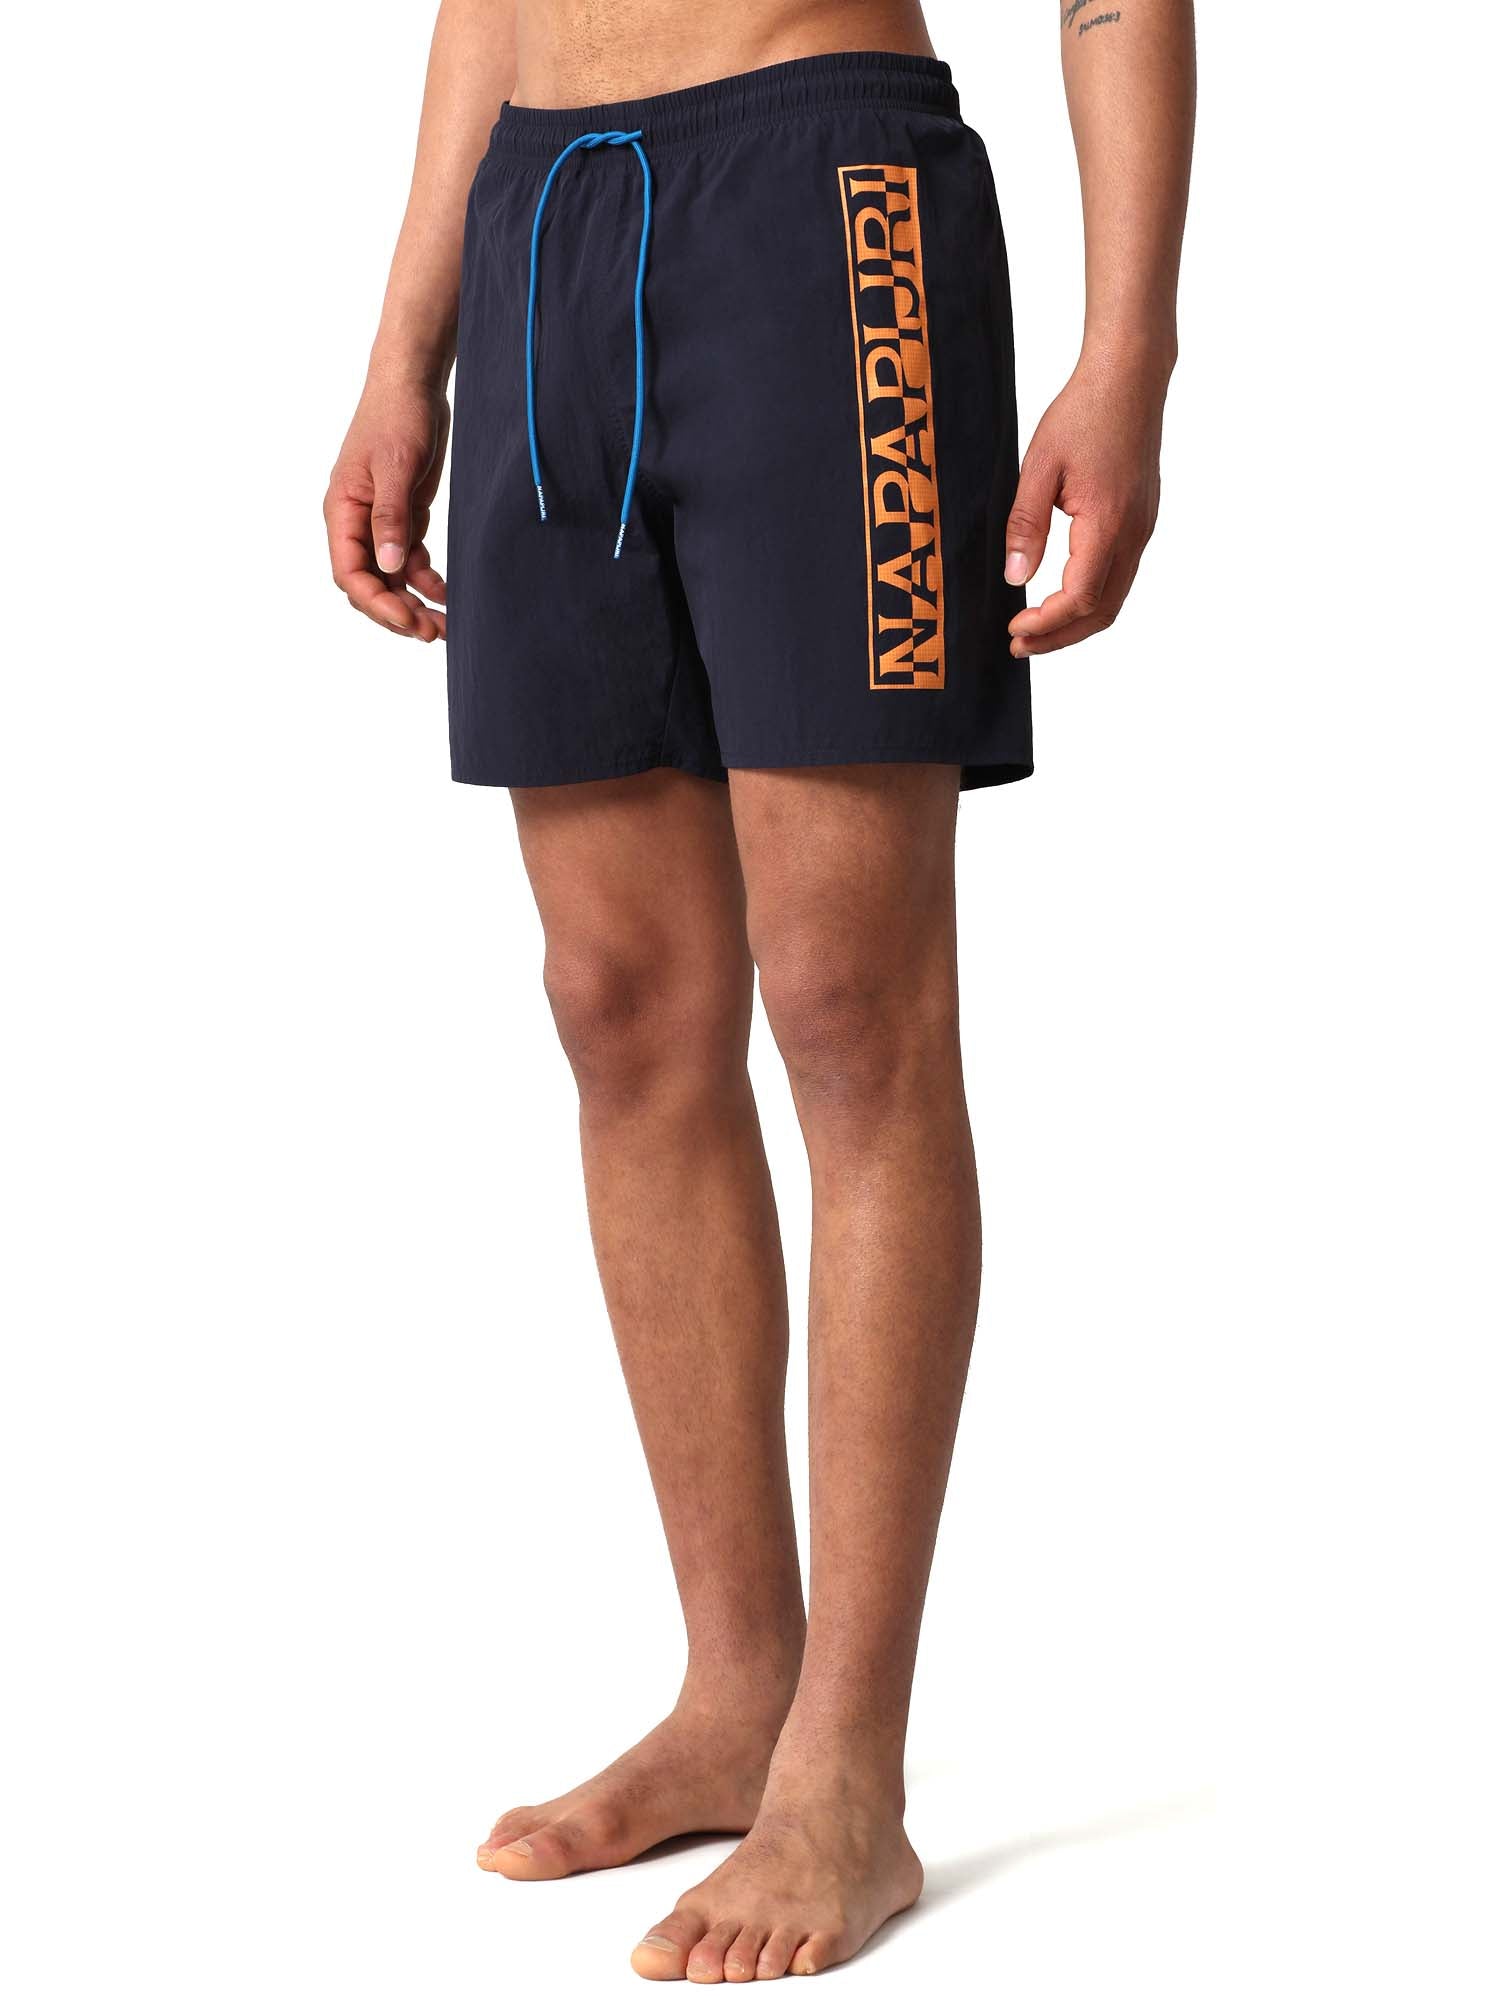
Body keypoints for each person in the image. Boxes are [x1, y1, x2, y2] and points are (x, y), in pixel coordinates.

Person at [324, 0, 1194, 1979]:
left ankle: (846, 1775)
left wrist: (1129, 349)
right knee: (620, 1004)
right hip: (543, 212)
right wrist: (405, 346)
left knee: (852, 1011)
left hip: (828, 197)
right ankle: (735, 1696)